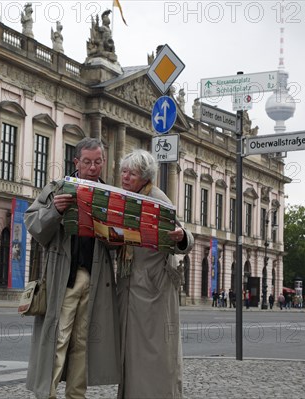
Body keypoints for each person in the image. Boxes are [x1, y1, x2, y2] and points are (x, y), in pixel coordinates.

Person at [24, 138, 120, 399]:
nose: (92, 168)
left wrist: (113, 230)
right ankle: (49, 393)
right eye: (87, 162)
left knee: (82, 342)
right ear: (76, 162)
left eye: (97, 162)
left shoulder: (110, 195)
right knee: (59, 338)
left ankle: (76, 395)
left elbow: (118, 243)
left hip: (95, 278)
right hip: (64, 277)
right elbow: (33, 224)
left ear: (104, 162)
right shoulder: (57, 188)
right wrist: (54, 210)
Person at [116, 149, 194, 399]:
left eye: (132, 173)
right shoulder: (126, 196)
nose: (125, 177)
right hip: (133, 285)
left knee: (157, 354)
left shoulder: (157, 198)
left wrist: (182, 237)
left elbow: (182, 236)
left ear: (145, 177)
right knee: (134, 354)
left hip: (154, 288)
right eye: (124, 172)